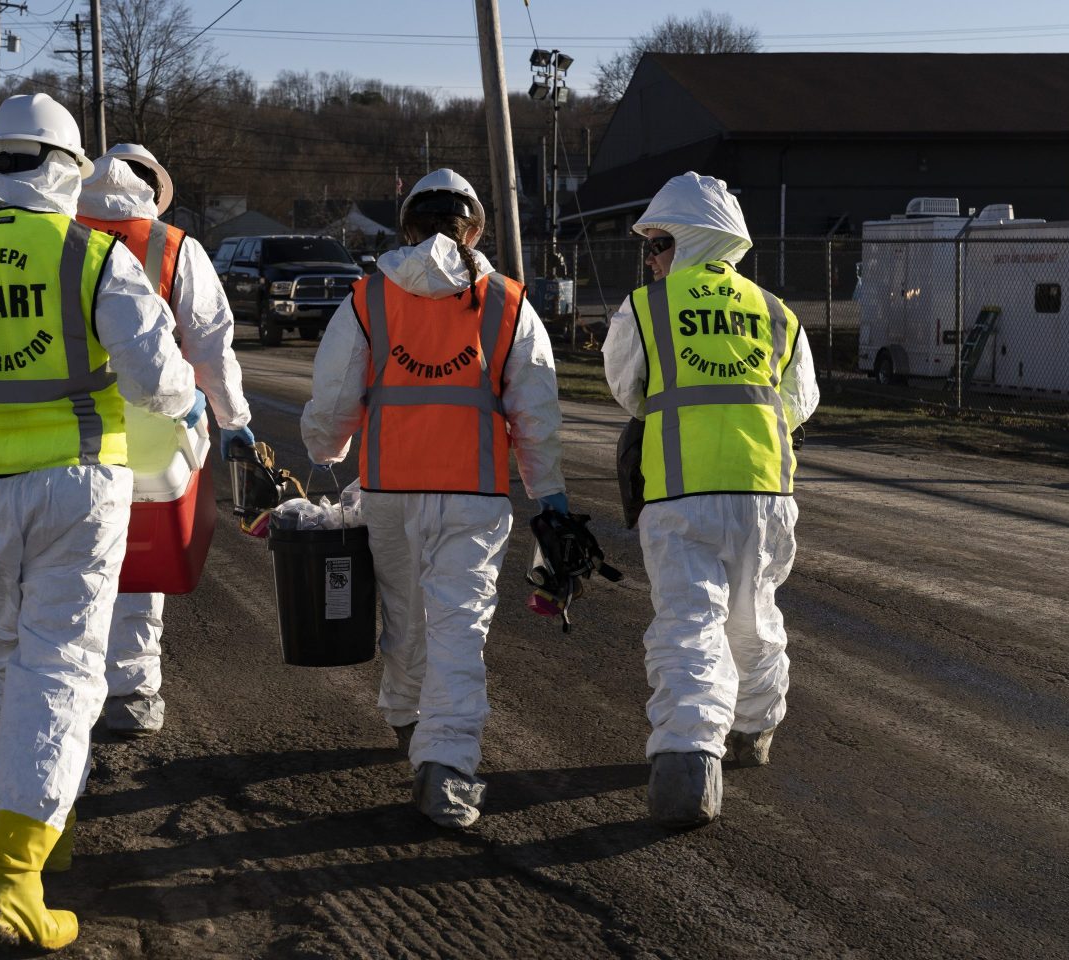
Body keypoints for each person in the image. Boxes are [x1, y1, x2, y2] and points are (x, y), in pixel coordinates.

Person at [0, 93, 201, 951]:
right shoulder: (92, 257)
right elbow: (160, 385)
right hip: (76, 489)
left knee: (11, 657)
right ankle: (15, 874)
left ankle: (36, 814)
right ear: (68, 165)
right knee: (64, 662)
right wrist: (189, 408)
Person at [301, 168, 566, 829]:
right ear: (474, 229)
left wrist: (324, 451)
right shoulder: (507, 301)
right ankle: (445, 765)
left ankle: (403, 715)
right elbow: (535, 410)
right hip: (473, 495)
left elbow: (335, 396)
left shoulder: (369, 298)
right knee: (457, 628)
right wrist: (550, 495)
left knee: (403, 613)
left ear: (408, 228)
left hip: (389, 488)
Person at [602, 172, 819, 829]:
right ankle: (755, 729)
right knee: (754, 616)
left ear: (692, 240)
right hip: (765, 491)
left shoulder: (646, 308)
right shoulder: (778, 313)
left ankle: (689, 763)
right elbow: (798, 403)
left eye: (659, 243)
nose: (652, 258)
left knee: (691, 622)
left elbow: (627, 389)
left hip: (681, 493)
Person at [76, 143, 253, 738]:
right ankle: (129, 689)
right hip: (154, 431)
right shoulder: (171, 246)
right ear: (154, 190)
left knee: (66, 560)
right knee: (138, 562)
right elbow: (208, 345)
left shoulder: (56, 232)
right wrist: (232, 419)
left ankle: (63, 679)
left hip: (61, 425)